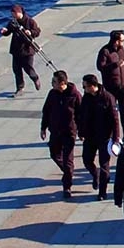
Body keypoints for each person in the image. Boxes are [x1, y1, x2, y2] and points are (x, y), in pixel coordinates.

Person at [78, 74, 121, 201]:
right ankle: (94, 174)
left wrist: (116, 137)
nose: (83, 88)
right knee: (86, 159)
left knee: (104, 165)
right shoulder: (86, 97)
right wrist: (81, 131)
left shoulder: (107, 98)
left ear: (92, 86)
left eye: (85, 86)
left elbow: (115, 119)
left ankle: (102, 191)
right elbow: (82, 115)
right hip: (90, 136)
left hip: (105, 137)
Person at [39, 70, 80, 199]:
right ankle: (69, 172)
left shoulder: (75, 96)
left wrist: (82, 131)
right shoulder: (52, 94)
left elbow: (81, 114)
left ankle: (67, 186)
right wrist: (43, 128)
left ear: (62, 83)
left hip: (69, 133)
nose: (52, 84)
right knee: (54, 154)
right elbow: (46, 111)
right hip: (55, 132)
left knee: (68, 160)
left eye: (54, 82)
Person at [96, 30, 124, 142]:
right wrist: (115, 65)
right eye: (122, 40)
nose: (123, 43)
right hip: (111, 86)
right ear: (116, 41)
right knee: (111, 111)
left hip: (123, 84)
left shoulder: (121, 50)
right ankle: (111, 134)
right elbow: (100, 67)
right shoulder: (105, 51)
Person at [0, 4, 41, 96]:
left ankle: (35, 78)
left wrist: (30, 32)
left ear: (19, 13)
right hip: (16, 49)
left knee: (28, 68)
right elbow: (8, 31)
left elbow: (37, 31)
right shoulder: (13, 22)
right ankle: (19, 88)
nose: (13, 16)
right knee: (16, 70)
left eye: (14, 14)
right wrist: (4, 31)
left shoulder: (30, 21)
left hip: (27, 50)